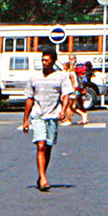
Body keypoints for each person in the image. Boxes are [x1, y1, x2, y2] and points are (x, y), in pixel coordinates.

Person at [22, 45, 73, 191]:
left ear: (53, 61)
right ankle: (43, 179)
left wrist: (64, 110)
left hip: (53, 115)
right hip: (38, 115)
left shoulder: (61, 76)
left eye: (47, 61)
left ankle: (42, 174)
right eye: (42, 60)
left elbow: (66, 95)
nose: (44, 63)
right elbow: (29, 99)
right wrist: (25, 120)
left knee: (48, 147)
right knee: (41, 145)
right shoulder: (34, 77)